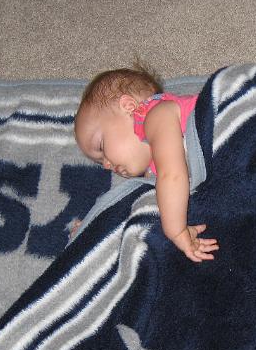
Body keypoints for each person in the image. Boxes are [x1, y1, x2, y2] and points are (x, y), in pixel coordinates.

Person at [73, 64, 219, 263]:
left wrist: (176, 232)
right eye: (100, 162)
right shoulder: (153, 171)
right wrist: (94, 226)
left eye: (101, 146)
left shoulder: (155, 115)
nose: (107, 165)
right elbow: (139, 209)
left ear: (129, 107)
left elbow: (173, 175)